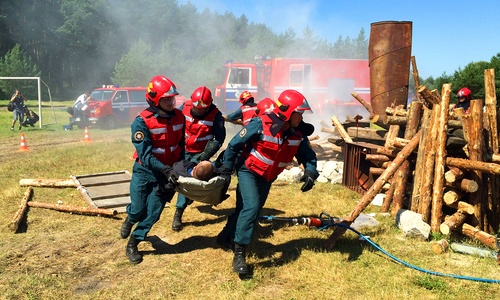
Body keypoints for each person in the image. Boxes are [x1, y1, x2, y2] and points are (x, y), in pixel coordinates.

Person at [215, 89, 319, 276]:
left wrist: (311, 172)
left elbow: (307, 155)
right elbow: (234, 145)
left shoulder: (297, 134)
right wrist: (226, 169)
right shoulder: (259, 124)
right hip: (249, 172)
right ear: (287, 112)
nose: (301, 117)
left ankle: (224, 237)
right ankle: (240, 253)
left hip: (268, 177)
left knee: (247, 210)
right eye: (299, 113)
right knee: (252, 207)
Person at [120, 75, 185, 264]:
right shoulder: (141, 122)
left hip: (167, 175)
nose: (171, 102)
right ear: (155, 99)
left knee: (153, 213)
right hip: (144, 172)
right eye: (167, 99)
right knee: (138, 210)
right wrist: (166, 170)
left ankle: (133, 243)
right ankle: (130, 219)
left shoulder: (180, 117)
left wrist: (180, 168)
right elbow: (146, 156)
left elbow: (181, 145)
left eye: (173, 98)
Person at [171, 86, 226, 231]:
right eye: (196, 108)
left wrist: (206, 154)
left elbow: (219, 138)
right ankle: (181, 206)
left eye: (202, 109)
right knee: (178, 177)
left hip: (199, 153)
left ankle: (179, 211)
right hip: (182, 149)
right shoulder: (184, 106)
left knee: (189, 180)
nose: (198, 111)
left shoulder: (216, 115)